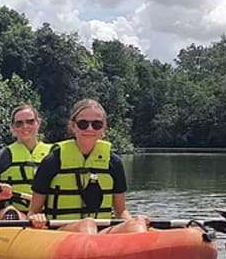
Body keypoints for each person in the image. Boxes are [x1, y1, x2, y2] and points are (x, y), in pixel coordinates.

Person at [28, 99, 148, 234]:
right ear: (73, 126)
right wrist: (36, 217)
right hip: (61, 232)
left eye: (96, 124)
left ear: (104, 128)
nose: (90, 129)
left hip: (102, 232)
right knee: (87, 224)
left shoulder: (114, 163)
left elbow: (121, 211)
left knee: (137, 223)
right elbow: (34, 211)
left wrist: (133, 221)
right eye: (83, 124)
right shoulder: (52, 162)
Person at [0, 104, 52, 220]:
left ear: (38, 123)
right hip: (14, 215)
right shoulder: (1, 157)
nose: (25, 126)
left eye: (30, 121)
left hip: (45, 216)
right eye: (19, 123)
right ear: (13, 128)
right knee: (11, 212)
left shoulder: (54, 154)